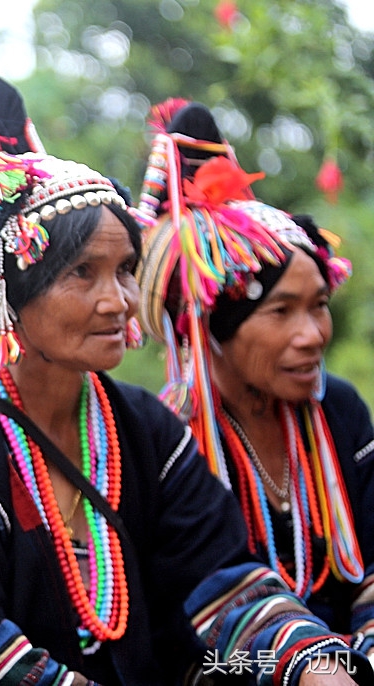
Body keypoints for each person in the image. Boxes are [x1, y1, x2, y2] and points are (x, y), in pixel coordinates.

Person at [0, 73, 373, 685]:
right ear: (12, 293)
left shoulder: (143, 429)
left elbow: (224, 585)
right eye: (84, 272)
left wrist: (320, 669)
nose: (119, 300)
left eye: (126, 271)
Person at [135, 100, 374, 653]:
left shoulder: (336, 408)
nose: (313, 333)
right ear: (212, 330)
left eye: (319, 305)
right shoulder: (168, 439)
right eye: (281, 311)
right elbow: (197, 610)